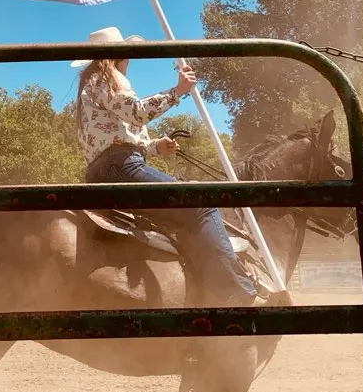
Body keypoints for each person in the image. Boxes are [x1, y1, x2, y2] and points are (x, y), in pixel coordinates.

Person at [73, 26, 260, 308]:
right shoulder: (109, 77)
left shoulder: (89, 87)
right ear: (119, 56)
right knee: (202, 204)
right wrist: (178, 91)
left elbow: (111, 138)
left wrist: (153, 147)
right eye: (127, 54)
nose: (129, 60)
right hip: (121, 168)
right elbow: (137, 113)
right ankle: (234, 290)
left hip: (100, 173)